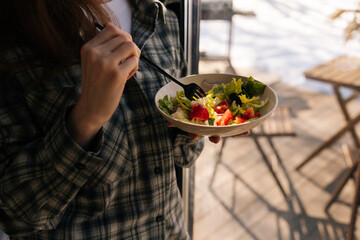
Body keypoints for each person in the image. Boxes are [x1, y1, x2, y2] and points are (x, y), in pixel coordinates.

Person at [0, 0, 249, 239]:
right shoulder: (18, 40)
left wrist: (194, 127)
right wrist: (86, 118)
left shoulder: (161, 17)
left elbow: (183, 156)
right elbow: (17, 216)